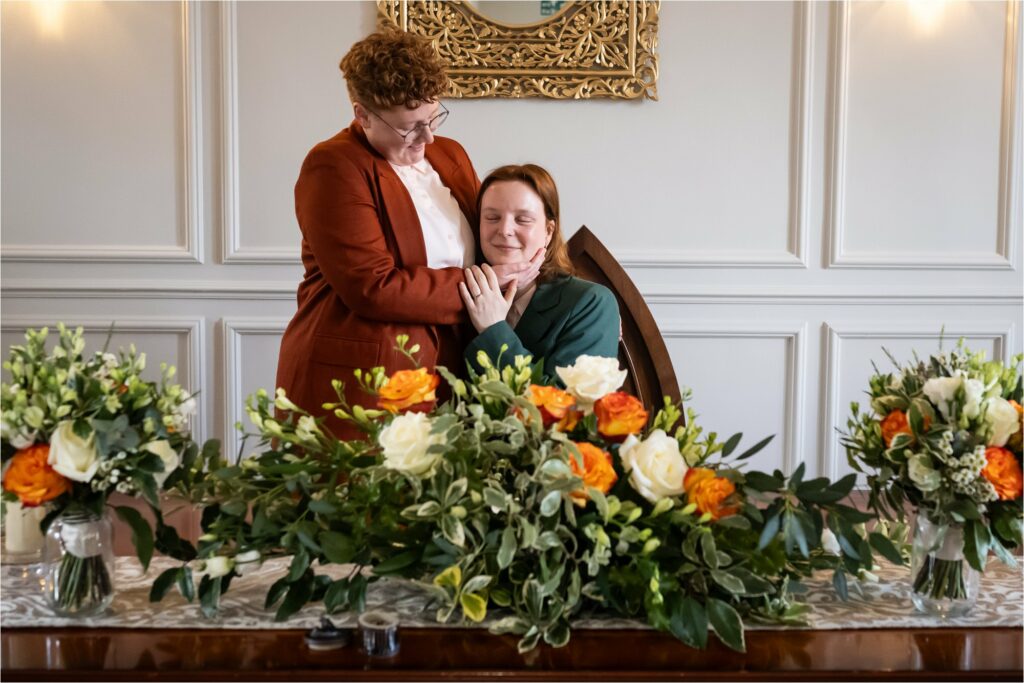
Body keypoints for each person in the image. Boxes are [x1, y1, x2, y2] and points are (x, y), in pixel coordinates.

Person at [276, 31, 543, 438]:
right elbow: (373, 286)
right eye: (409, 128)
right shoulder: (333, 166)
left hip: (449, 369)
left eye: (434, 118)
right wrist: (492, 282)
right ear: (362, 114)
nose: (428, 138)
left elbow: (486, 241)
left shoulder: (448, 153)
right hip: (365, 377)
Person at [460, 164, 620, 380]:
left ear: (548, 231)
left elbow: (566, 407)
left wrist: (493, 329)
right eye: (492, 218)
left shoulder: (591, 303)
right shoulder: (461, 293)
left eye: (522, 219)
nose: (505, 230)